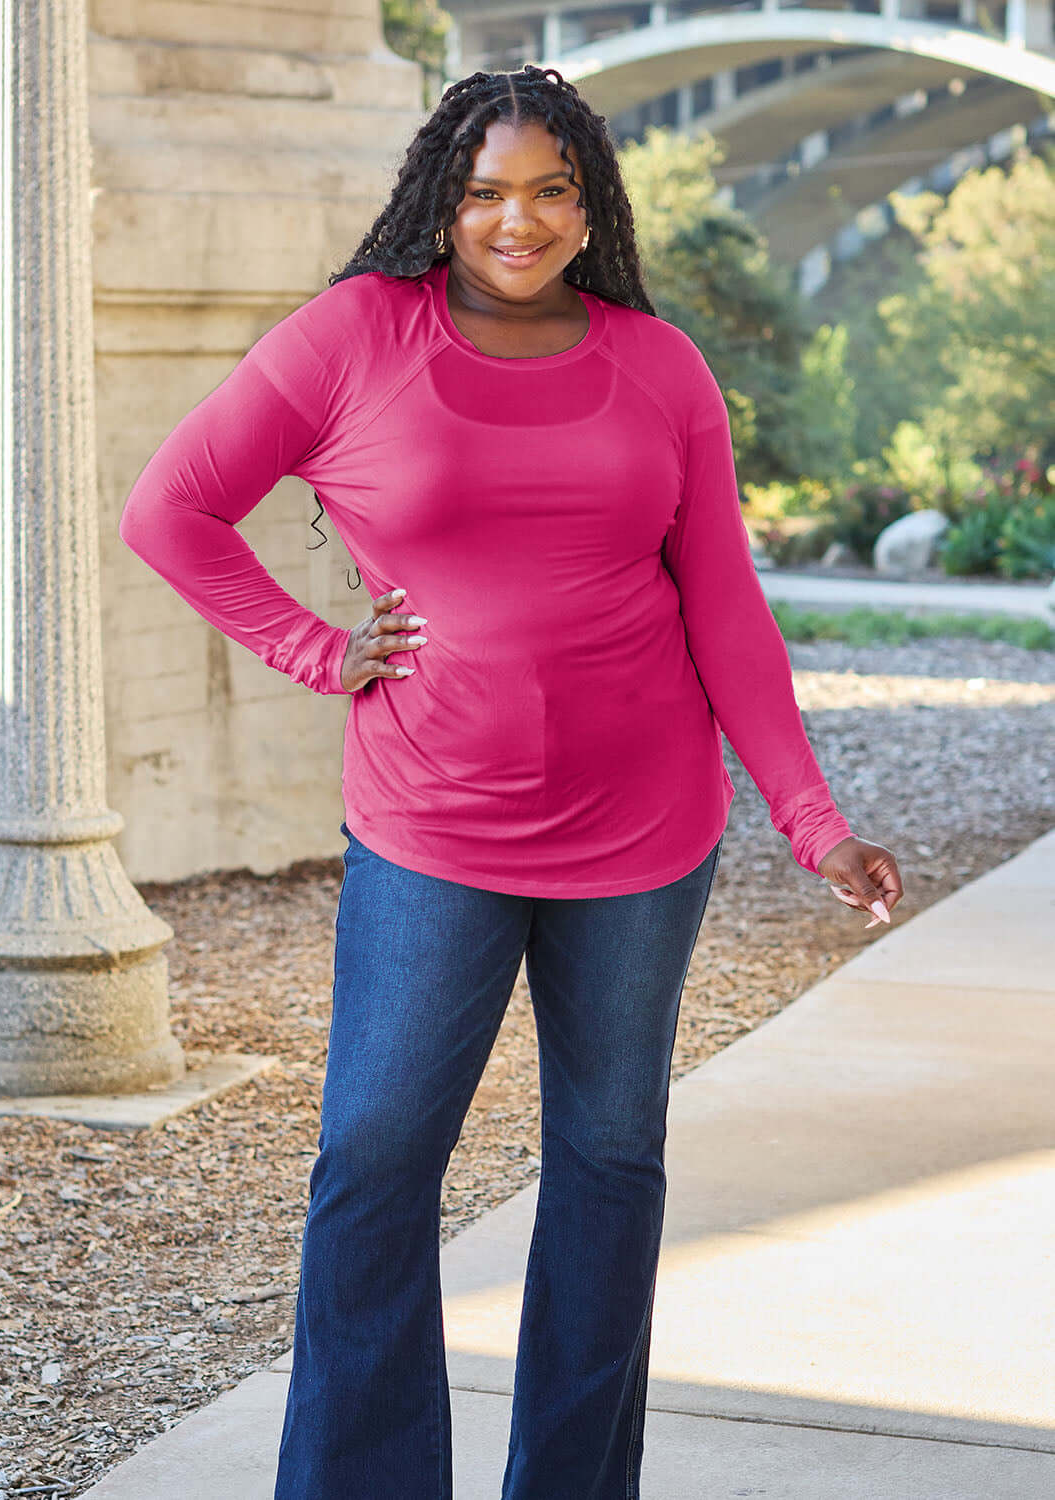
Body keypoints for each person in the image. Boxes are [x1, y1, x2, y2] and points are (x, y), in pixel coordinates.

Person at [118, 64, 903, 1500]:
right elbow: (170, 509)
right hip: (431, 825)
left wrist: (812, 818)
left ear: (590, 200)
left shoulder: (657, 364)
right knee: (369, 1162)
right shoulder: (356, 336)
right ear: (438, 200)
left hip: (647, 828)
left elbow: (722, 605)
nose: (516, 220)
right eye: (483, 191)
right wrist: (314, 648)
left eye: (549, 189)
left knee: (608, 1169)